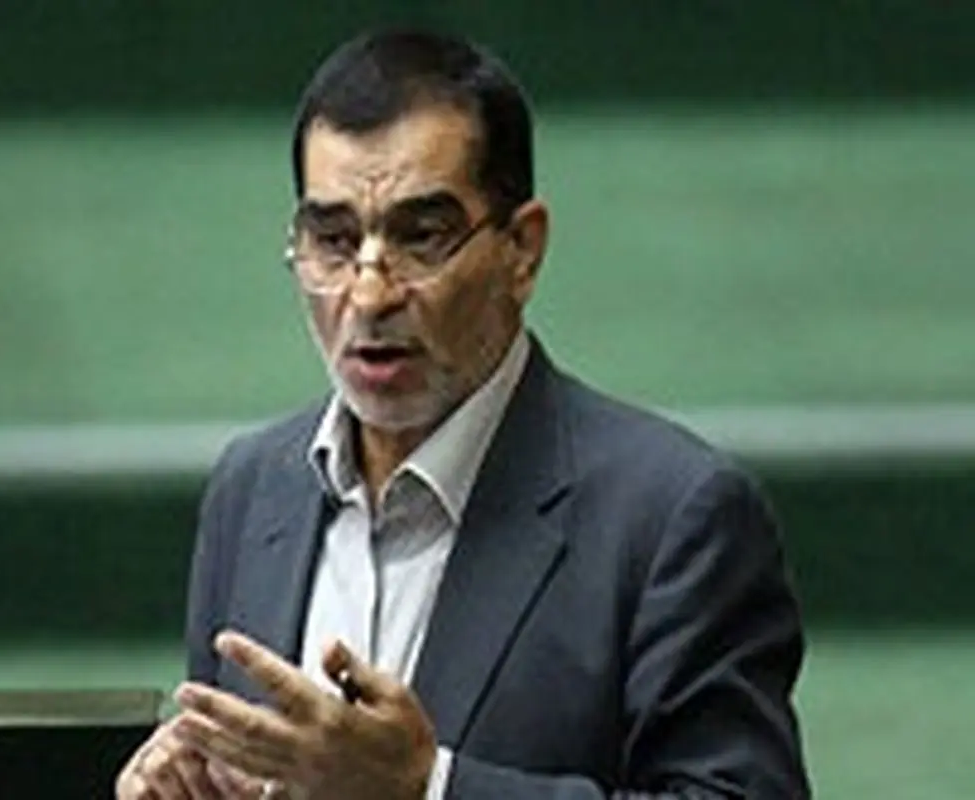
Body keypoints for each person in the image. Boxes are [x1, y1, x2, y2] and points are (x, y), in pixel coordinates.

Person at [116, 28, 812, 800]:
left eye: (422, 238)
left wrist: (430, 787)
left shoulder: (674, 517)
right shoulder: (253, 489)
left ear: (523, 250)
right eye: (334, 241)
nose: (369, 294)